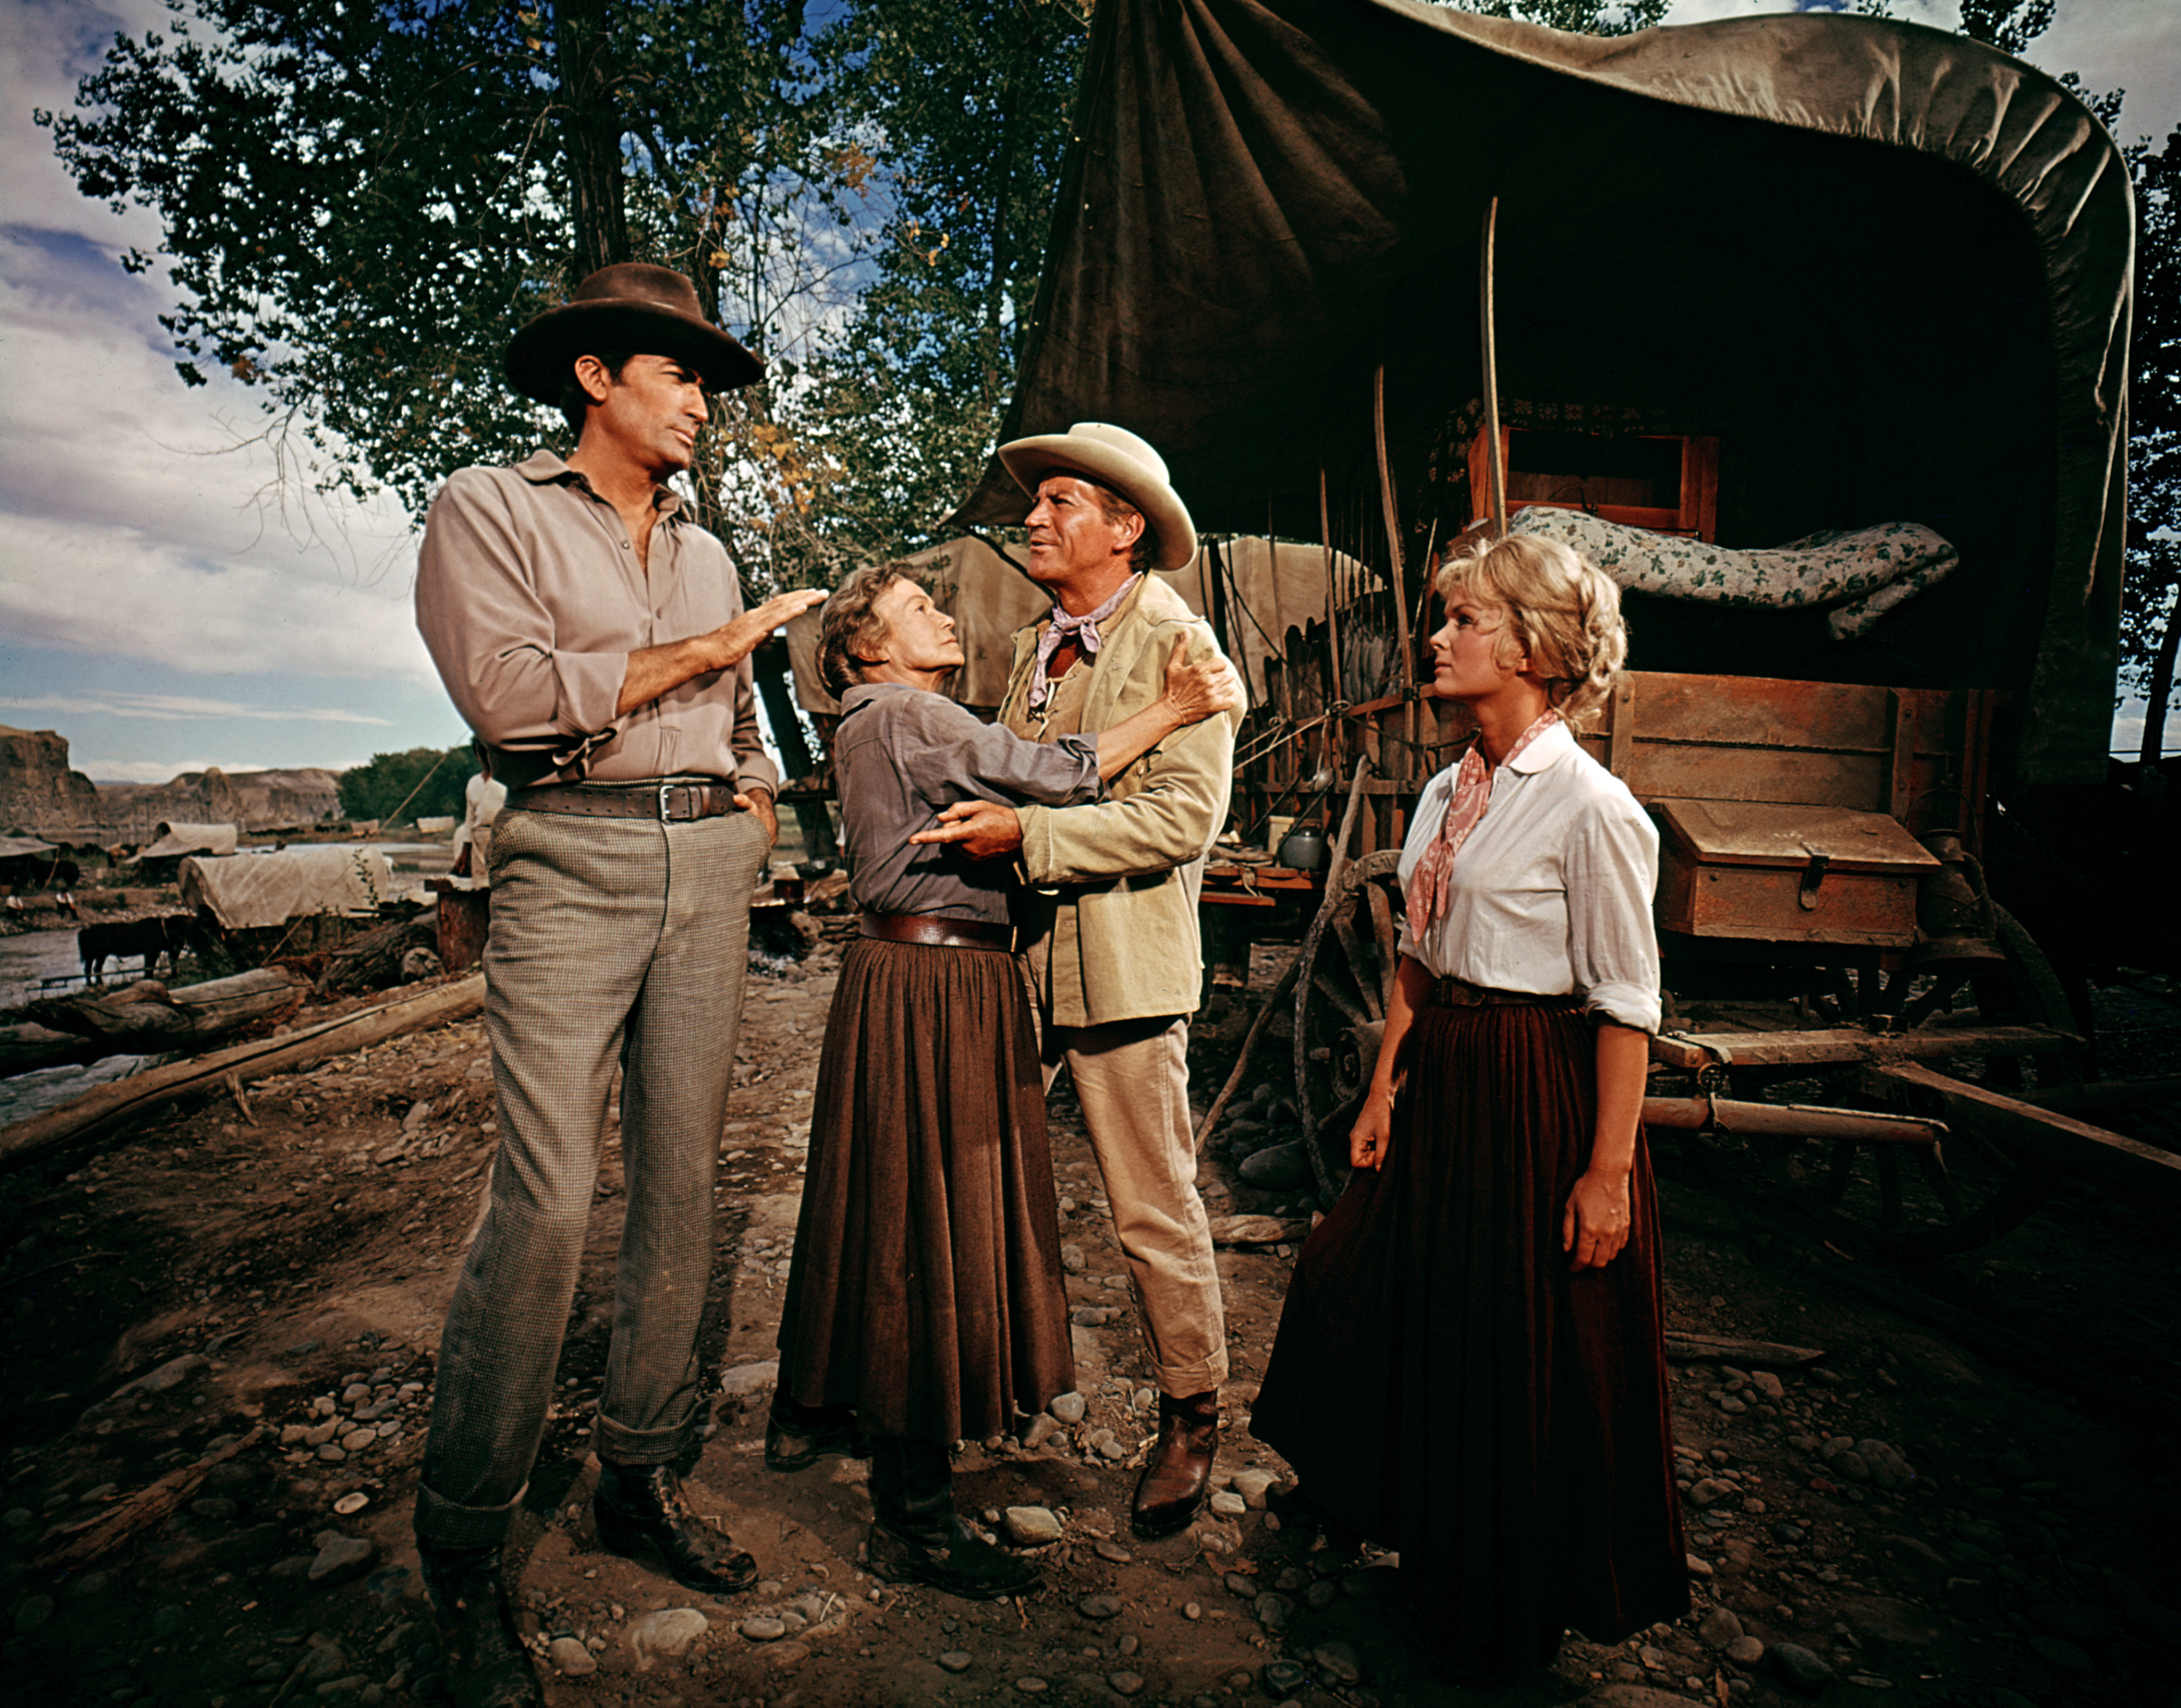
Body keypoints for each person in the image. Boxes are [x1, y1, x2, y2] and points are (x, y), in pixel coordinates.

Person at [412, 262, 825, 1708]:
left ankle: (634, 1479)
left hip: (705, 864)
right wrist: (712, 648)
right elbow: (515, 701)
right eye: (681, 373)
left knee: (681, 1181)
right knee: (543, 1198)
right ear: (597, 376)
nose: (703, 402)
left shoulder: (706, 545)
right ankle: (462, 1552)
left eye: (708, 380)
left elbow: (737, 711)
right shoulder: (491, 507)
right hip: (566, 856)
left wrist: (755, 801)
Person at [1252, 533, 1689, 1685]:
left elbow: (1625, 1005)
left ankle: (1500, 1611)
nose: (1436, 638)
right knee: (1375, 1288)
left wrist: (1605, 1176)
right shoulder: (1449, 786)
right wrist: (1386, 1086)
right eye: (1441, 617)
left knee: (1515, 1348)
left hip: (1535, 1086)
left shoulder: (1593, 809)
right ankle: (1402, 1525)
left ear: (1537, 648)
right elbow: (1416, 953)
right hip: (1443, 1073)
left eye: (1464, 621)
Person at [770, 564, 1242, 1596]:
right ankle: (914, 1499)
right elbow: (1051, 771)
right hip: (941, 977)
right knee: (924, 1220)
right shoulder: (908, 709)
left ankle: (835, 1404)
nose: (947, 614)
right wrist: (1170, 708)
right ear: (867, 649)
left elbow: (1168, 816)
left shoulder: (898, 709)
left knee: (901, 1202)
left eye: (1060, 505)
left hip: (970, 973)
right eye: (919, 609)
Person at [912, 423, 1243, 1539]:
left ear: (1125, 526)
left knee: (1151, 1203)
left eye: (1061, 501)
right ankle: (968, 1390)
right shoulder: (1031, 646)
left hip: (1125, 970)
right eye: (1037, 501)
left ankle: (1193, 1410)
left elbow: (1183, 818)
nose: (1036, 519)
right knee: (972, 1178)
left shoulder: (1178, 646)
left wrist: (1033, 841)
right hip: (1016, 965)